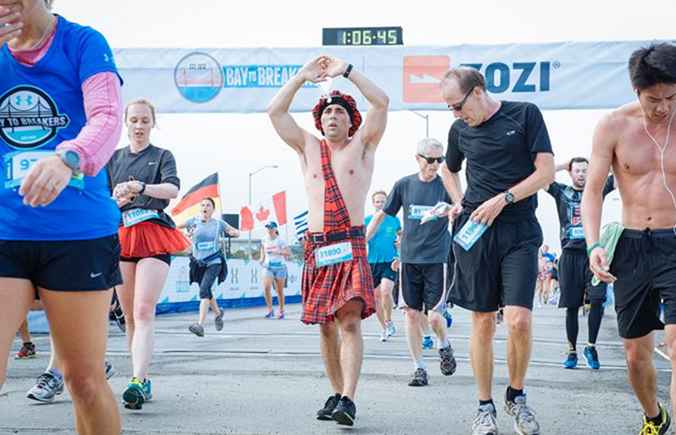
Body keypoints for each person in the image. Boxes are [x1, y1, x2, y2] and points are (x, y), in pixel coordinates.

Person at [0, 0, 123, 433]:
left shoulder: (82, 42)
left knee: (83, 380)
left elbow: (108, 116)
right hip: (4, 230)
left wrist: (69, 156)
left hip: (77, 233)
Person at [267, 55, 388, 426]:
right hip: (318, 246)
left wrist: (347, 72)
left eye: (339, 112)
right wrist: (302, 77)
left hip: (349, 242)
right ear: (319, 121)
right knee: (325, 324)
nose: (332, 117)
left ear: (352, 121)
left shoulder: (363, 146)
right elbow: (275, 112)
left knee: (349, 321)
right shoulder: (308, 148)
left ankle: (349, 398)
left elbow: (381, 102)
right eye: (327, 113)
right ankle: (336, 392)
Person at [440, 66, 555, 435]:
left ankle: (517, 397)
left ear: (477, 92)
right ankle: (484, 406)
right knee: (483, 320)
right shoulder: (459, 130)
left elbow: (545, 173)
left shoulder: (524, 114)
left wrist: (503, 199)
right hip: (476, 230)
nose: (455, 114)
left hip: (519, 230)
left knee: (519, 319)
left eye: (457, 105)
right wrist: (460, 201)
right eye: (449, 109)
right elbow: (448, 169)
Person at [581, 42, 676, 435]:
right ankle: (654, 416)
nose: (664, 108)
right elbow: (592, 192)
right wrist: (594, 245)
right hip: (631, 245)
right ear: (636, 90)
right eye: (655, 99)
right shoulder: (613, 126)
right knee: (635, 353)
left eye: (672, 97)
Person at [107, 98, 190, 410]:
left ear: (153, 123)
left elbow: (172, 190)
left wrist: (141, 187)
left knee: (143, 311)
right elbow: (102, 200)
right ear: (126, 123)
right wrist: (117, 199)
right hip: (121, 237)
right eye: (134, 120)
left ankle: (138, 380)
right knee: (128, 316)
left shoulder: (162, 156)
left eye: (145, 120)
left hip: (154, 234)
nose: (139, 126)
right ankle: (138, 378)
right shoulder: (112, 159)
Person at [367, 138, 457, 387]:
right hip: (409, 260)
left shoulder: (446, 185)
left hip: (437, 259)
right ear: (418, 158)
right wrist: (362, 242)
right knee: (410, 315)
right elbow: (381, 216)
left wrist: (452, 211)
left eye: (440, 160)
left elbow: (462, 210)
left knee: (435, 318)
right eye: (431, 160)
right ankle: (418, 368)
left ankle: (444, 345)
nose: (435, 165)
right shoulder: (404, 185)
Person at [545, 157, 615, 369]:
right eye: (577, 171)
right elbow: (539, 176)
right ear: (571, 173)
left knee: (597, 299)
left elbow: (621, 170)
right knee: (572, 306)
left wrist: (599, 166)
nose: (582, 174)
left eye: (585, 170)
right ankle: (572, 350)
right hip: (569, 255)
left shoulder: (597, 190)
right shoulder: (561, 192)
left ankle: (591, 346)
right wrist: (563, 165)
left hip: (592, 253)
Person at [182, 197, 239, 336]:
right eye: (202, 205)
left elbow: (236, 231)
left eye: (208, 205)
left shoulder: (218, 223)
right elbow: (173, 227)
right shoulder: (192, 222)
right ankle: (218, 314)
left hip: (214, 262)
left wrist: (234, 233)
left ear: (213, 209)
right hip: (198, 263)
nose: (205, 207)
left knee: (203, 290)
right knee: (207, 291)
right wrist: (184, 234)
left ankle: (200, 325)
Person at [365, 190, 401, 341]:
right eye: (377, 201)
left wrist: (399, 251)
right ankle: (385, 327)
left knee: (386, 291)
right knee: (376, 298)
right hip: (372, 262)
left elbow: (401, 238)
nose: (380, 204)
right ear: (373, 204)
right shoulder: (367, 220)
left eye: (383, 201)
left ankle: (388, 320)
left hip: (390, 261)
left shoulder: (394, 220)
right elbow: (363, 239)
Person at [259, 221, 290, 319]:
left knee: (279, 291)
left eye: (271, 228)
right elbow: (262, 249)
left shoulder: (280, 240)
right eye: (268, 228)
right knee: (266, 287)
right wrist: (262, 258)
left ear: (276, 229)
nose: (269, 229)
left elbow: (288, 253)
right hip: (268, 267)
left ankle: (281, 311)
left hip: (280, 267)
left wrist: (279, 251)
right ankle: (270, 310)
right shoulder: (264, 239)